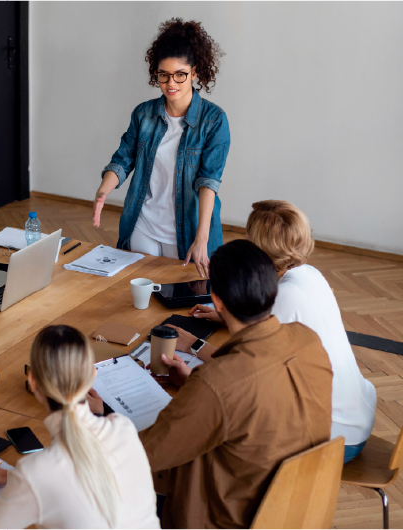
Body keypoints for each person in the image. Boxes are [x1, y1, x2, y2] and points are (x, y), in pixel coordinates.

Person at [138, 240, 333, 529]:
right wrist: (198, 389)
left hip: (229, 518)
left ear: (216, 301)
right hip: (301, 507)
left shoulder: (217, 383)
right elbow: (258, 387)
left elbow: (145, 456)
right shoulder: (307, 339)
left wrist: (94, 415)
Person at [179, 200, 376, 463]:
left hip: (336, 437)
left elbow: (241, 367)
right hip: (356, 414)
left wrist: (192, 344)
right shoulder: (309, 274)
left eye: (249, 235)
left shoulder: (285, 295)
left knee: (224, 427)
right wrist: (226, 315)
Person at [0, 325, 160, 530]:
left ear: (33, 382)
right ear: (92, 375)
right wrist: (12, 478)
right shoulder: (124, 428)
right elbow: (80, 476)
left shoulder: (37, 473)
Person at [93, 18, 230, 277]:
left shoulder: (213, 120)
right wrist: (103, 191)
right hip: (142, 224)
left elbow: (208, 182)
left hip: (188, 230)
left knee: (181, 302)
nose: (171, 83)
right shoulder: (143, 114)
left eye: (180, 74)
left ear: (196, 72)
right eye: (163, 75)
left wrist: (201, 238)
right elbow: (123, 160)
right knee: (138, 296)